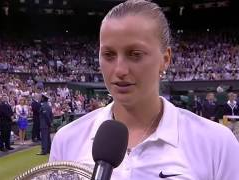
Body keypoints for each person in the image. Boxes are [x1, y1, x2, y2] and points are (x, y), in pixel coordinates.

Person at [49, 0, 239, 179]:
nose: (120, 70)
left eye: (135, 54)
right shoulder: (67, 140)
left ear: (165, 58)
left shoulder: (217, 143)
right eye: (108, 55)